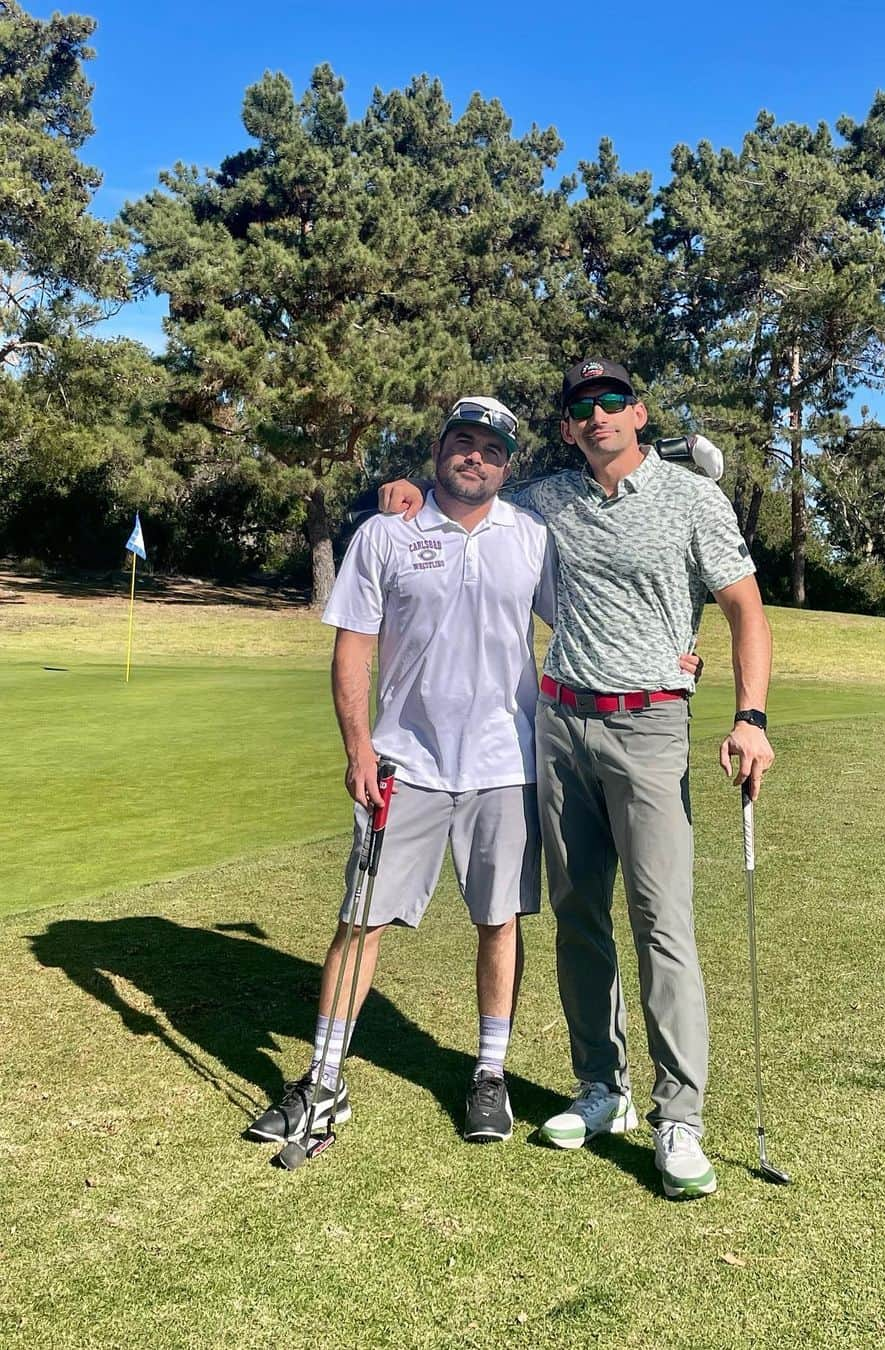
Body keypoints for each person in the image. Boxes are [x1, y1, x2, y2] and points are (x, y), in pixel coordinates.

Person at [380, 358, 774, 1199]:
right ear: (565, 429)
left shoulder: (692, 497)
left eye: (610, 402)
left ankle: (680, 1120)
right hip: (557, 723)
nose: (595, 416)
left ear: (637, 411)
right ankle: (603, 1088)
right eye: (579, 408)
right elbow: (471, 502)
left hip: (652, 724)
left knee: (661, 919)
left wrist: (750, 716)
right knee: (577, 915)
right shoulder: (549, 502)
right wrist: (408, 492)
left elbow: (745, 607)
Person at [247, 396, 556, 1147]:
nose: (473, 456)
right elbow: (352, 645)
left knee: (499, 920)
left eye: (489, 447)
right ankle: (324, 1081)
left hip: (503, 762)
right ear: (438, 447)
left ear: (507, 463)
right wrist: (358, 747)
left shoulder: (533, 538)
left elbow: (584, 618)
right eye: (462, 441)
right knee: (361, 920)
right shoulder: (387, 533)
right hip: (403, 762)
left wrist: (672, 655)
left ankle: (489, 1072)